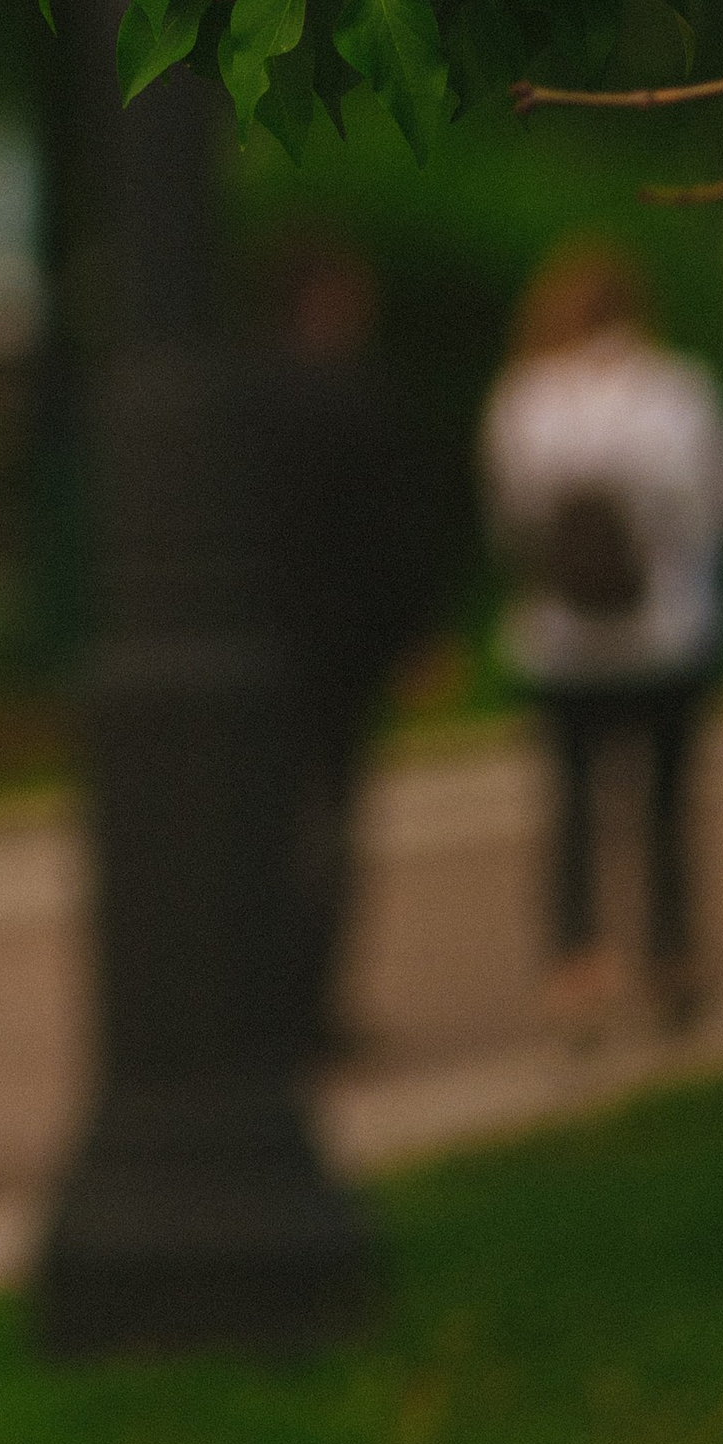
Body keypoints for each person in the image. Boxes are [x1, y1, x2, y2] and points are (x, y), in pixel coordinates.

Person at [480, 242, 723, 1040]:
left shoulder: (524, 399)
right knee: (666, 803)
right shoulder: (680, 391)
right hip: (670, 632)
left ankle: (577, 964)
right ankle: (671, 956)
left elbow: (508, 526)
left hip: (561, 641)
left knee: (572, 807)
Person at [258, 238, 453, 1064]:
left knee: (267, 829)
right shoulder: (358, 399)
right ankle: (312, 1009)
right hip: (340, 653)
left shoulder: (242, 403)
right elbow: (393, 530)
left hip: (260, 650)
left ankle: (264, 1006)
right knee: (331, 827)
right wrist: (417, 633)